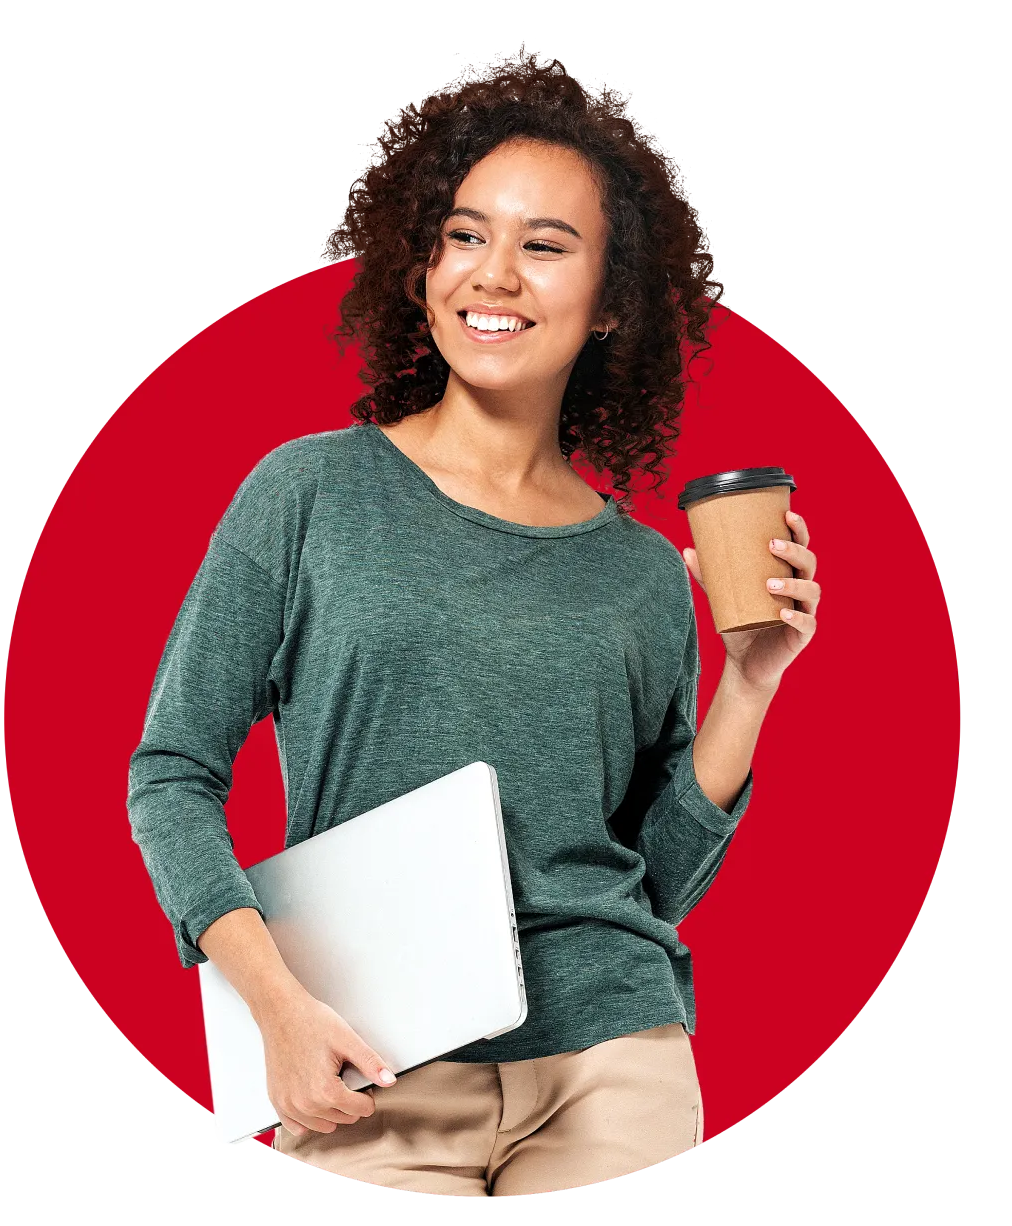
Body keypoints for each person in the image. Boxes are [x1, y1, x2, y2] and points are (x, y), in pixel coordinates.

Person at [127, 48, 822, 1198]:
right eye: (463, 234)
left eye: (543, 246)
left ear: (609, 305)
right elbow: (171, 772)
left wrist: (749, 682)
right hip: (366, 1056)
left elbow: (647, 880)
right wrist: (276, 1006)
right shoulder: (308, 494)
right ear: (422, 261)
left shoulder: (647, 572)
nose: (491, 275)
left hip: (613, 1055)